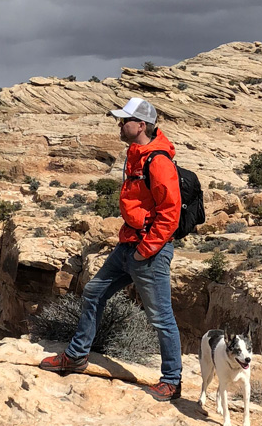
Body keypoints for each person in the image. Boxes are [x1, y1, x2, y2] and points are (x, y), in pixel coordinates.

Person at [42, 97, 183, 400]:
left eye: (124, 121)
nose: (119, 125)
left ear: (141, 125)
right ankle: (77, 355)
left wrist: (146, 249)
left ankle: (172, 381)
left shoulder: (157, 161)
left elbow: (171, 213)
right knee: (94, 292)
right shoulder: (136, 153)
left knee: (161, 317)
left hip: (149, 251)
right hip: (128, 245)